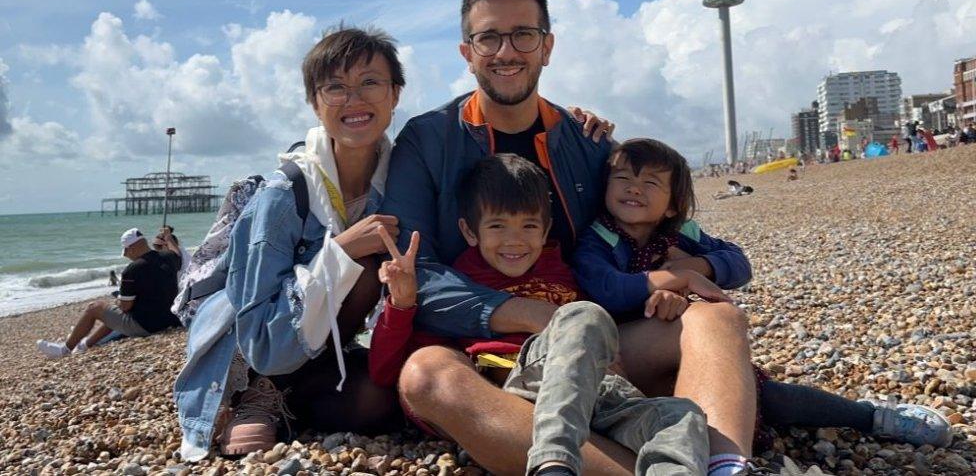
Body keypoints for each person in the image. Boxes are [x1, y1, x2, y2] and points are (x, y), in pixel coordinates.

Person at [381, 0, 759, 476]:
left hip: (598, 349)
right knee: (425, 376)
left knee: (715, 320)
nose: (507, 51)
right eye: (489, 38)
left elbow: (645, 222)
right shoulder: (427, 141)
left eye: (523, 35)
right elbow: (415, 270)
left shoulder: (586, 140)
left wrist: (686, 271)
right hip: (486, 359)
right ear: (467, 54)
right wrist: (528, 314)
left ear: (547, 46)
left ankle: (723, 465)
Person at [573, 139, 952, 453]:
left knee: (763, 396)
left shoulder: (681, 233)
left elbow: (738, 263)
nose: (633, 188)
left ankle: (869, 415)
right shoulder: (595, 239)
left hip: (677, 343)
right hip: (626, 356)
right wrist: (677, 277)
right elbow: (606, 289)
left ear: (672, 204)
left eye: (650, 183)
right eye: (622, 178)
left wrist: (699, 268)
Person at [372, 154, 710, 475]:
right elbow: (385, 372)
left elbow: (618, 307)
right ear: (470, 231)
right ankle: (554, 463)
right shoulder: (463, 282)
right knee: (582, 316)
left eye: (529, 226)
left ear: (546, 229)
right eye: (498, 226)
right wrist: (401, 304)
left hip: (598, 394)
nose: (515, 241)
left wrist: (660, 295)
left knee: (682, 416)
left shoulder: (566, 270)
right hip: (519, 385)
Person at [173, 26, 410, 461]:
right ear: (315, 103)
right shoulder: (285, 194)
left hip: (323, 343)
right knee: (360, 256)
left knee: (381, 403)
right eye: (334, 87)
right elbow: (258, 330)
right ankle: (261, 393)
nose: (353, 99)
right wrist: (339, 251)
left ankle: (296, 400)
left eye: (370, 83)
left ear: (395, 94)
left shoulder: (398, 179)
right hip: (254, 345)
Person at [37, 228, 181, 358]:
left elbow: (125, 307)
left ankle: (64, 349)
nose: (125, 255)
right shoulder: (169, 258)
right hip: (169, 320)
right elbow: (177, 252)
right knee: (112, 313)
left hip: (147, 326)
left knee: (95, 308)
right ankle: (84, 345)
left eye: (125, 250)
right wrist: (168, 237)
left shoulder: (132, 269)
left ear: (132, 247)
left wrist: (119, 301)